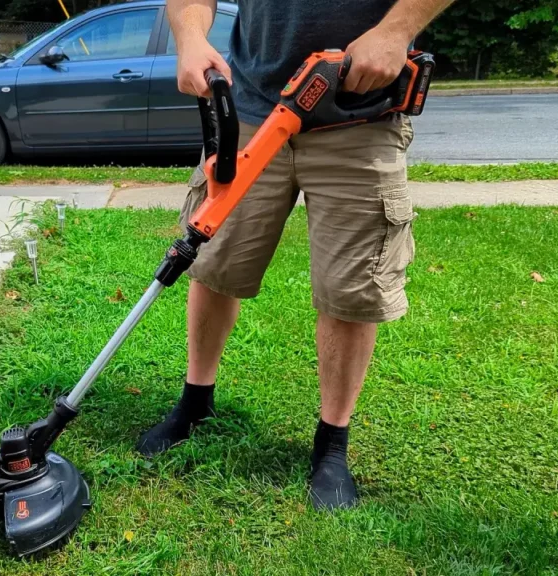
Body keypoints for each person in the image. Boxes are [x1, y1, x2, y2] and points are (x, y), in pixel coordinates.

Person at [136, 0, 455, 510]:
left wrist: (396, 31)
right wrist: (191, 39)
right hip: (251, 113)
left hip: (360, 116)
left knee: (350, 289)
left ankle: (332, 444)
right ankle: (196, 403)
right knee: (214, 265)